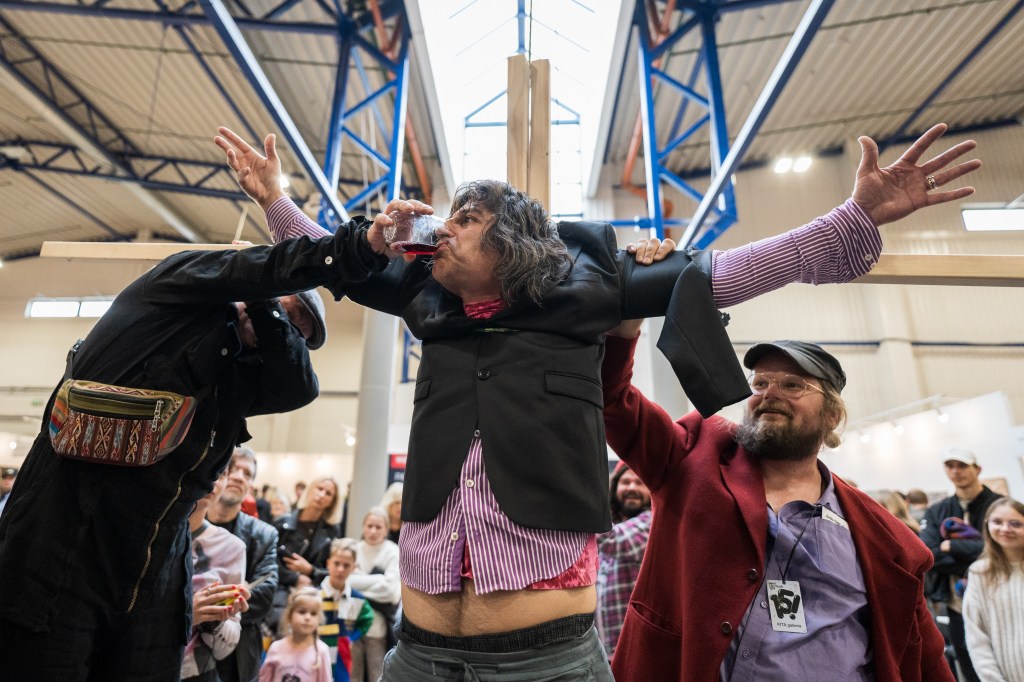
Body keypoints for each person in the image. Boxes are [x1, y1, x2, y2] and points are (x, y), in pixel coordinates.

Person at [215, 122, 979, 679]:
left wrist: (854, 217)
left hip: (546, 662)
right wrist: (276, 197)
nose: (443, 231)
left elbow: (739, 269)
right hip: (418, 654)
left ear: (513, 238)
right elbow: (333, 262)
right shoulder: (421, 292)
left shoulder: (594, 282)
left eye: (466, 219)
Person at [0, 236, 366, 680]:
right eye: (289, 314)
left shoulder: (242, 378)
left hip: (156, 564)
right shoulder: (173, 294)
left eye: (297, 333)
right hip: (64, 541)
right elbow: (253, 272)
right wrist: (273, 285)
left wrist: (268, 310)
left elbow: (300, 386)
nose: (286, 332)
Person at [601, 332, 954, 681]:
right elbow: (611, 396)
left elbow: (924, 653)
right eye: (760, 383)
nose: (769, 393)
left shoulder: (881, 535)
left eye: (792, 385)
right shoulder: (693, 456)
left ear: (832, 415)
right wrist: (623, 326)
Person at [922, 446, 1003, 682]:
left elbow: (1004, 551)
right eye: (950, 466)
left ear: (977, 469)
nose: (956, 471)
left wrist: (953, 546)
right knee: (969, 663)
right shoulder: (938, 511)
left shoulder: (1001, 506)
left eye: (962, 465)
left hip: (999, 597)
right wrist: (978, 559)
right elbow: (930, 555)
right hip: (958, 604)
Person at [208, 446, 282, 682]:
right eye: (233, 469)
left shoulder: (264, 534)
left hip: (238, 650)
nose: (239, 477)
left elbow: (265, 593)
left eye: (247, 474)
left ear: (251, 485)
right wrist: (237, 591)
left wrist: (205, 603)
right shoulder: (188, 522)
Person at [184, 467, 250, 681]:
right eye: (208, 466)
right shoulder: (150, 534)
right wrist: (186, 615)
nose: (213, 478)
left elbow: (225, 648)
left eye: (221, 472)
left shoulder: (231, 548)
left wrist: (215, 619)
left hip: (197, 672)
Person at [962, 497, 1024, 682]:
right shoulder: (979, 573)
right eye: (997, 522)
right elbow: (976, 638)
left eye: (1015, 523)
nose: (1005, 529)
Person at [271, 476, 343, 630]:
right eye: (319, 488)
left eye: (328, 493)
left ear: (332, 502)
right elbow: (268, 561)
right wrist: (295, 578)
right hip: (279, 590)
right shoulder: (282, 524)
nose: (322, 495)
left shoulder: (332, 531)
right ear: (310, 490)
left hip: (314, 592)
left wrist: (311, 570)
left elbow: (335, 570)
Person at [597, 462, 652, 658]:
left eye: (639, 482)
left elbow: (614, 540)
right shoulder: (610, 526)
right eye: (626, 482)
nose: (632, 488)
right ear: (615, 488)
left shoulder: (652, 522)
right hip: (608, 651)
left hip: (638, 650)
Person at [347, 507, 401, 682]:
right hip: (351, 620)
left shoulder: (392, 551)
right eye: (369, 526)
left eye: (378, 527)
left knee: (377, 673)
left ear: (386, 529)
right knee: (352, 673)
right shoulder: (353, 549)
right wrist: (378, 579)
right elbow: (345, 583)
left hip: (379, 625)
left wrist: (358, 583)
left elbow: (390, 591)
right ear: (363, 526)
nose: (373, 531)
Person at [319, 538, 375, 682]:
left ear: (353, 568)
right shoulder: (315, 595)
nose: (340, 569)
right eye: (336, 563)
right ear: (328, 563)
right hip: (317, 654)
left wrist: (351, 637)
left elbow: (368, 618)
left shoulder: (357, 599)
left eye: (346, 565)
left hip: (342, 657)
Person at [261, 587, 332, 682]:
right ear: (289, 616)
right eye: (302, 612)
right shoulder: (276, 648)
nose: (308, 617)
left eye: (313, 613)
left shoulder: (321, 651)